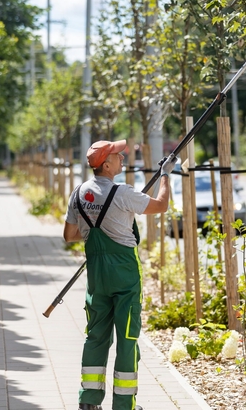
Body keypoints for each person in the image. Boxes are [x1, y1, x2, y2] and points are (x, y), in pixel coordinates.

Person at [63, 139, 177, 410]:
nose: (123, 157)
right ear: (106, 164)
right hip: (125, 276)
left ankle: (89, 402)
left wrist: (94, 229)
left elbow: (69, 235)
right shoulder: (122, 193)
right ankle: (124, 405)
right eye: (118, 155)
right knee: (127, 338)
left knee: (96, 336)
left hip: (98, 277)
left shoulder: (78, 193)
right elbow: (160, 206)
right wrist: (165, 176)